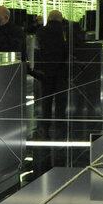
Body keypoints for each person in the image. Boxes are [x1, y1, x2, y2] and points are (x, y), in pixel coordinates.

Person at [33, 10, 69, 139]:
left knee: (46, 101)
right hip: (61, 71)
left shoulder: (41, 31)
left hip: (45, 72)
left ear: (48, 18)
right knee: (60, 101)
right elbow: (68, 50)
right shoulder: (64, 31)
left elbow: (37, 51)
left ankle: (45, 127)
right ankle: (60, 127)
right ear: (61, 19)